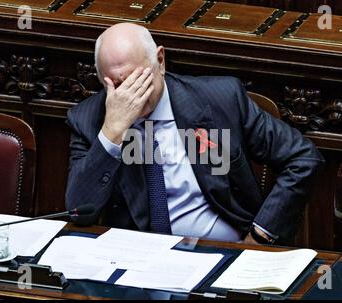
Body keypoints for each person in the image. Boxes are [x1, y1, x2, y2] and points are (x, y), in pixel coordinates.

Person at [65, 23, 324, 245]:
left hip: (223, 251)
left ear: (160, 61)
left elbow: (303, 158)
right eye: (119, 86)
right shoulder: (89, 120)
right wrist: (111, 133)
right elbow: (79, 213)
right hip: (138, 262)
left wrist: (260, 236)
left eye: (138, 79)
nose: (131, 95)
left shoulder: (221, 99)